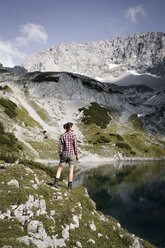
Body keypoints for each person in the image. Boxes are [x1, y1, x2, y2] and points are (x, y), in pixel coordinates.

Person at [53, 122, 79, 190]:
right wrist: (77, 155)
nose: (74, 128)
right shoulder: (74, 136)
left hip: (64, 154)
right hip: (71, 155)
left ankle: (55, 182)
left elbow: (60, 145)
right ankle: (69, 186)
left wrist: (60, 153)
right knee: (71, 170)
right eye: (73, 127)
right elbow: (75, 146)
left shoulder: (62, 135)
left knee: (60, 168)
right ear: (70, 128)